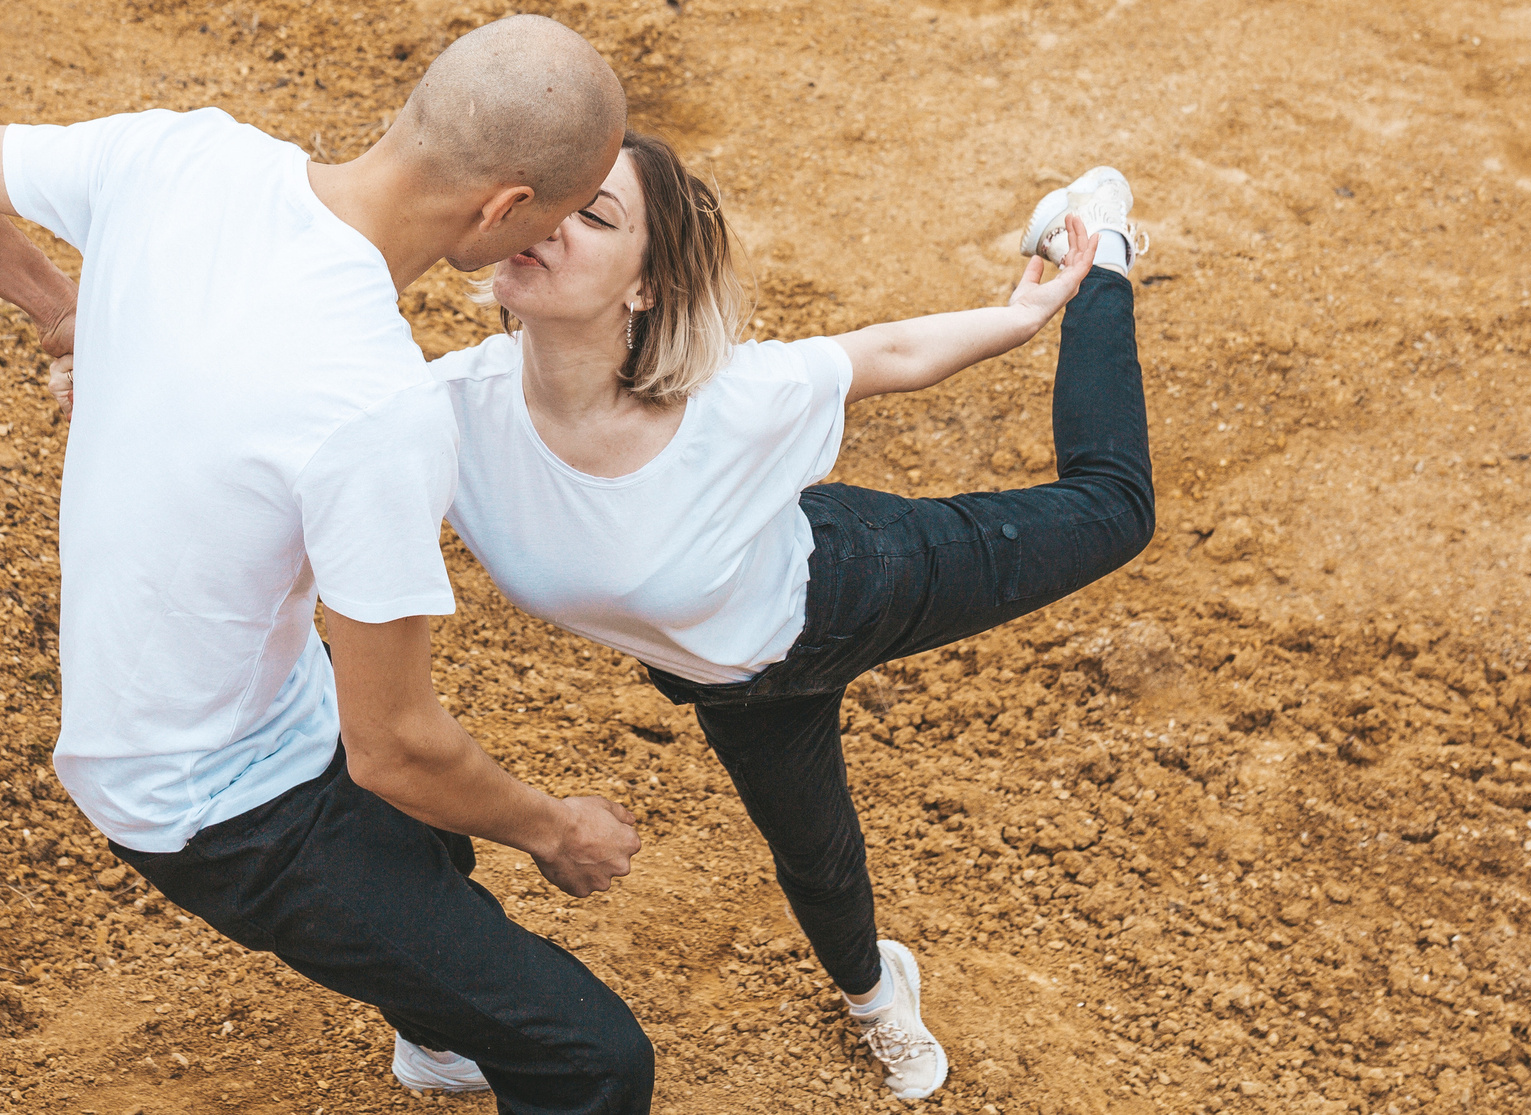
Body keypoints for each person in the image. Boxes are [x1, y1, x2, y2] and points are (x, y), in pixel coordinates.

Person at [0, 16, 656, 1115]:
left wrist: (66, 312)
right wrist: (560, 830)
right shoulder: (374, 407)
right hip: (212, 803)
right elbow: (396, 754)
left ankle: (440, 1039)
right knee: (591, 1059)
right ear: (504, 207)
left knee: (434, 860)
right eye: (556, 215)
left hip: (241, 699)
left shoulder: (180, 155)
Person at [426, 142, 1155, 1102]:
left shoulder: (726, 402)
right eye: (548, 199)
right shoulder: (440, 417)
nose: (552, 224)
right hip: (730, 681)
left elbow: (883, 354)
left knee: (1113, 511)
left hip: (857, 581)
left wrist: (1025, 314)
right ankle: (873, 989)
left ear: (646, 287)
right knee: (814, 853)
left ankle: (1106, 256)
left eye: (596, 217)